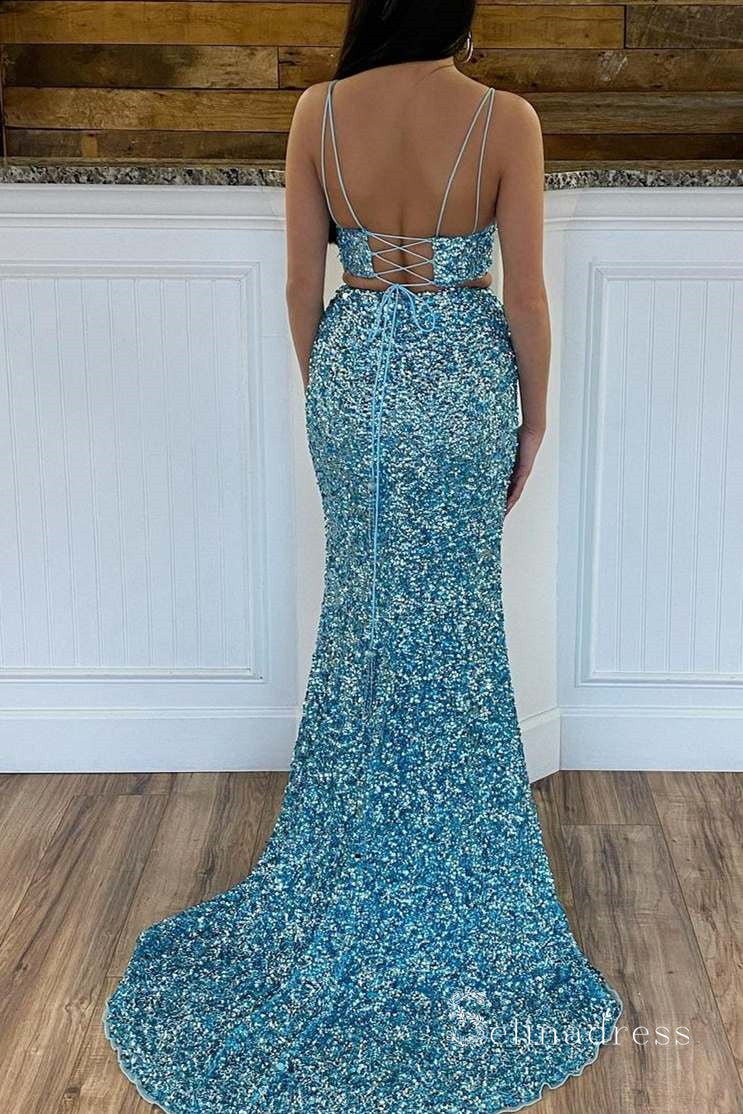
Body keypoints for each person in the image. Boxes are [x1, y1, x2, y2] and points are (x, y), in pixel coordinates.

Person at [102, 2, 624, 1110]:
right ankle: (444, 852)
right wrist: (533, 419)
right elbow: (526, 294)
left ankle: (358, 837)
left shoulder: (316, 112)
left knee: (363, 618)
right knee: (454, 621)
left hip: (353, 374)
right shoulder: (505, 119)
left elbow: (303, 285)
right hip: (461, 379)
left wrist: (329, 389)